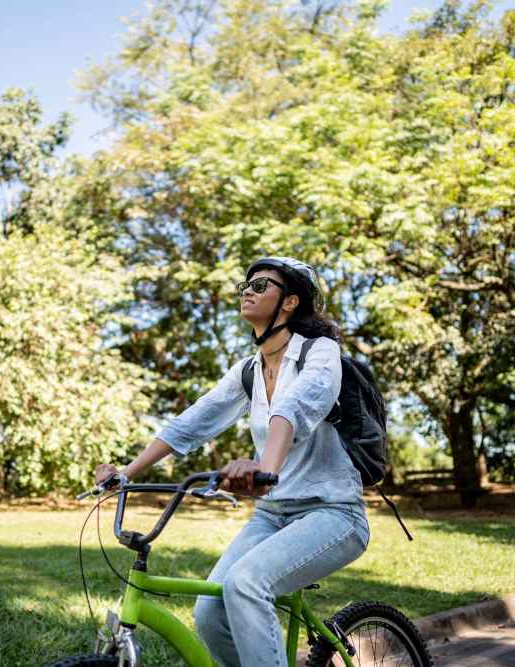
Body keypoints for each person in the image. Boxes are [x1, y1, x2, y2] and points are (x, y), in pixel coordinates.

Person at [93, 256, 369, 667]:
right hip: (273, 514)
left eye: (260, 285)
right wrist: (126, 472)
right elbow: (194, 421)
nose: (247, 290)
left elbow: (295, 407)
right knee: (209, 609)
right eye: (246, 284)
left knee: (246, 583)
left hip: (334, 511)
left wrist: (266, 470)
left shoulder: (320, 352)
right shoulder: (248, 371)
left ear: (290, 302)